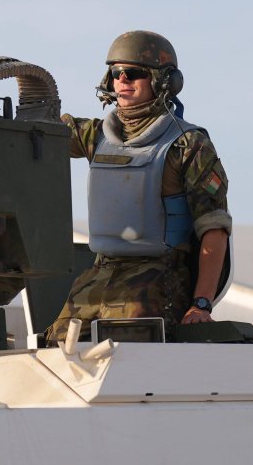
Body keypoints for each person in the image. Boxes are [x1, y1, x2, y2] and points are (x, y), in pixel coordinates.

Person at [44, 30, 232, 344]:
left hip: (159, 275)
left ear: (165, 81)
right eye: (117, 73)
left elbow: (214, 229)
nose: (123, 80)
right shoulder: (97, 135)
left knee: (127, 352)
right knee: (57, 347)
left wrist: (202, 303)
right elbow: (44, 133)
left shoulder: (188, 145)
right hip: (102, 272)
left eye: (134, 73)